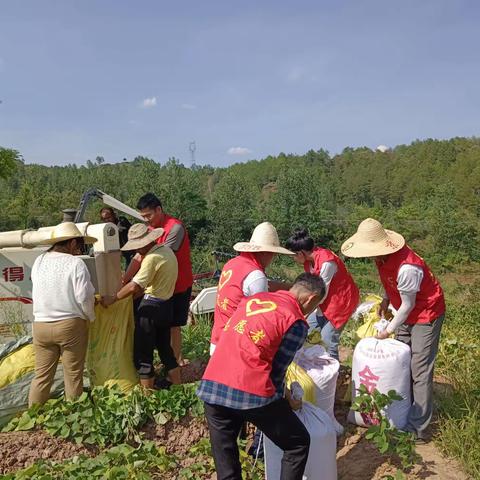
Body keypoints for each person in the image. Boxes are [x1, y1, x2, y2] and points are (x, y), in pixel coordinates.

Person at [197, 273, 326, 480]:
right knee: (297, 443)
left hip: (213, 385)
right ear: (311, 298)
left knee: (226, 461)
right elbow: (277, 372)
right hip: (250, 391)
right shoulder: (295, 320)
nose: (311, 311)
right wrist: (289, 402)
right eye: (314, 306)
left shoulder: (255, 299)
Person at [341, 218, 446, 442]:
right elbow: (392, 286)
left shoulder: (408, 267)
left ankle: (418, 427)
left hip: (426, 314)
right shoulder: (382, 258)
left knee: (419, 369)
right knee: (402, 360)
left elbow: (408, 305)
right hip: (404, 312)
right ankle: (404, 408)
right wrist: (385, 301)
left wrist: (388, 330)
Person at [101, 223, 180, 389]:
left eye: (138, 246)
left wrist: (113, 298)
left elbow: (134, 286)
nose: (137, 251)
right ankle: (178, 386)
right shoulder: (167, 251)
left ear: (146, 243)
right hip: (166, 306)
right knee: (165, 349)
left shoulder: (151, 258)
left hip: (151, 309)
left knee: (143, 355)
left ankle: (147, 395)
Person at [29, 222, 97, 406]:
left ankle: (33, 418)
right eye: (80, 245)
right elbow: (84, 296)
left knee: (41, 376)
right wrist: (90, 317)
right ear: (73, 243)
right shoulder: (76, 263)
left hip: (41, 325)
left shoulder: (39, 260)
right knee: (73, 375)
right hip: (69, 325)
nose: (80, 249)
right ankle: (73, 417)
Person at [124, 193, 193, 366]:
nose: (147, 220)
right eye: (143, 217)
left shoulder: (175, 228)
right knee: (161, 327)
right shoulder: (148, 229)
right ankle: (167, 361)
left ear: (159, 209)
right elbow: (139, 256)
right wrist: (125, 278)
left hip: (178, 284)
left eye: (149, 215)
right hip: (158, 287)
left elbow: (158, 257)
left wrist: (133, 283)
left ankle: (176, 360)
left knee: (174, 325)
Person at [210, 222, 294, 355]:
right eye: (273, 254)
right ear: (266, 253)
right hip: (235, 346)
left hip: (218, 338)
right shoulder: (256, 276)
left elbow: (262, 284)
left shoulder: (232, 264)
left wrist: (291, 287)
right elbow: (262, 317)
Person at [286, 228, 359, 360]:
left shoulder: (327, 262)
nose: (293, 259)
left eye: (293, 256)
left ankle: (332, 375)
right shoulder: (309, 262)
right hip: (323, 302)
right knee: (306, 330)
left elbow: (321, 292)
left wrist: (306, 311)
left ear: (301, 253)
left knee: (328, 339)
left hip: (341, 302)